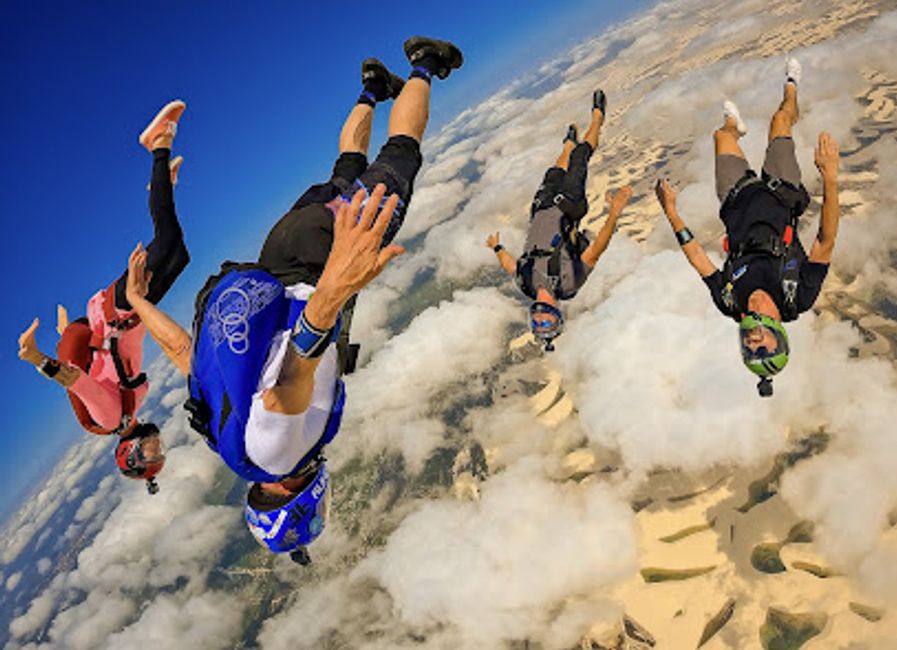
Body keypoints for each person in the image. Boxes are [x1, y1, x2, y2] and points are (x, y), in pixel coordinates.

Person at [126, 38, 463, 563]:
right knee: (344, 170)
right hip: (276, 252)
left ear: (295, 506)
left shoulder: (280, 456)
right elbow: (185, 354)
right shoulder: (226, 440)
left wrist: (338, 282)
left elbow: (290, 384)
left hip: (318, 262)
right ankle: (372, 88)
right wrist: (137, 301)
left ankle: (426, 63)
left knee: (401, 157)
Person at [16, 101, 190, 493]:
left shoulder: (111, 417)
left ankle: (157, 147)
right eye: (159, 450)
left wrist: (36, 358)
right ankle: (161, 186)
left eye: (149, 451)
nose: (155, 444)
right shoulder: (131, 410)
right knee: (177, 254)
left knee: (167, 245)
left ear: (128, 453)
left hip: (115, 314)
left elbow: (76, 380)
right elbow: (105, 366)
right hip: (130, 314)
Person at [655, 58, 840, 396]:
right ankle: (791, 83)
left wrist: (672, 214)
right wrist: (830, 177)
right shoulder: (797, 296)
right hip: (780, 192)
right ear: (779, 338)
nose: (755, 344)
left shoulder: (731, 302)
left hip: (736, 200)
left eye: (750, 353)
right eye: (765, 349)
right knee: (780, 119)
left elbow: (698, 259)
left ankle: (734, 126)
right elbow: (824, 243)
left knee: (721, 135)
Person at [486, 90, 633, 351]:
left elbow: (510, 265)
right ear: (557, 314)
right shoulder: (569, 283)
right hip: (568, 209)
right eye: (547, 322)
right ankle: (597, 118)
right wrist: (615, 213)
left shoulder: (526, 284)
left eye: (537, 324)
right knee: (579, 159)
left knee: (555, 170)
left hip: (541, 209)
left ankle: (567, 143)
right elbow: (597, 249)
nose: (540, 319)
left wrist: (496, 247)